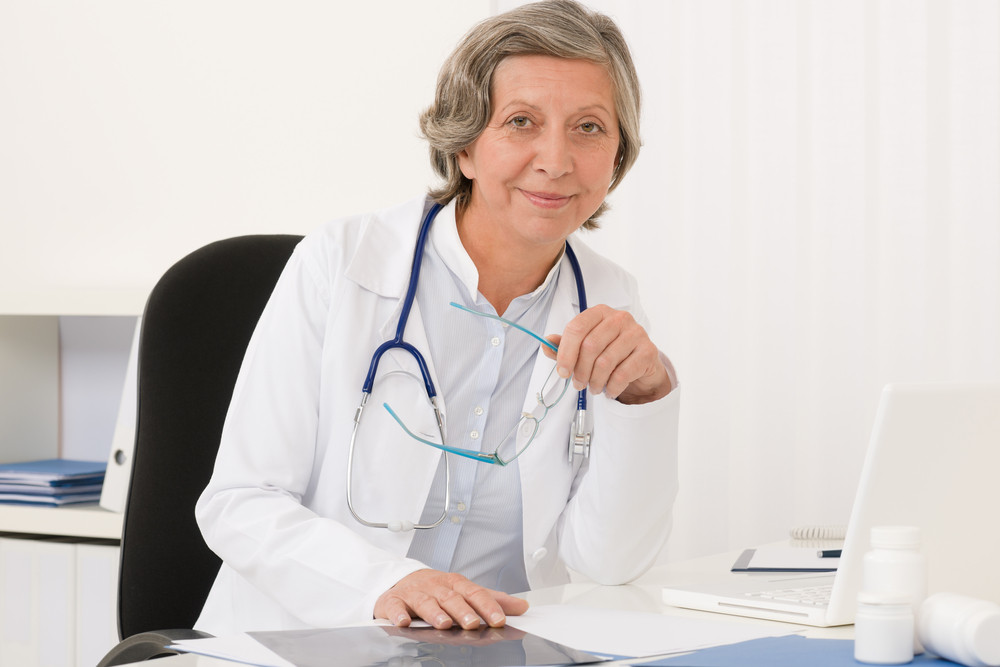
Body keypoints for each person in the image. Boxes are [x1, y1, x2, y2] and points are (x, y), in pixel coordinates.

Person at [194, 0, 679, 636]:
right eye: (521, 121)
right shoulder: (342, 265)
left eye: (589, 127)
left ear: (618, 156)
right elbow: (239, 503)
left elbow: (610, 563)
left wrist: (643, 399)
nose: (557, 160)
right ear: (465, 146)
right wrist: (385, 583)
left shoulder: (610, 302)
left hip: (487, 650)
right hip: (304, 642)